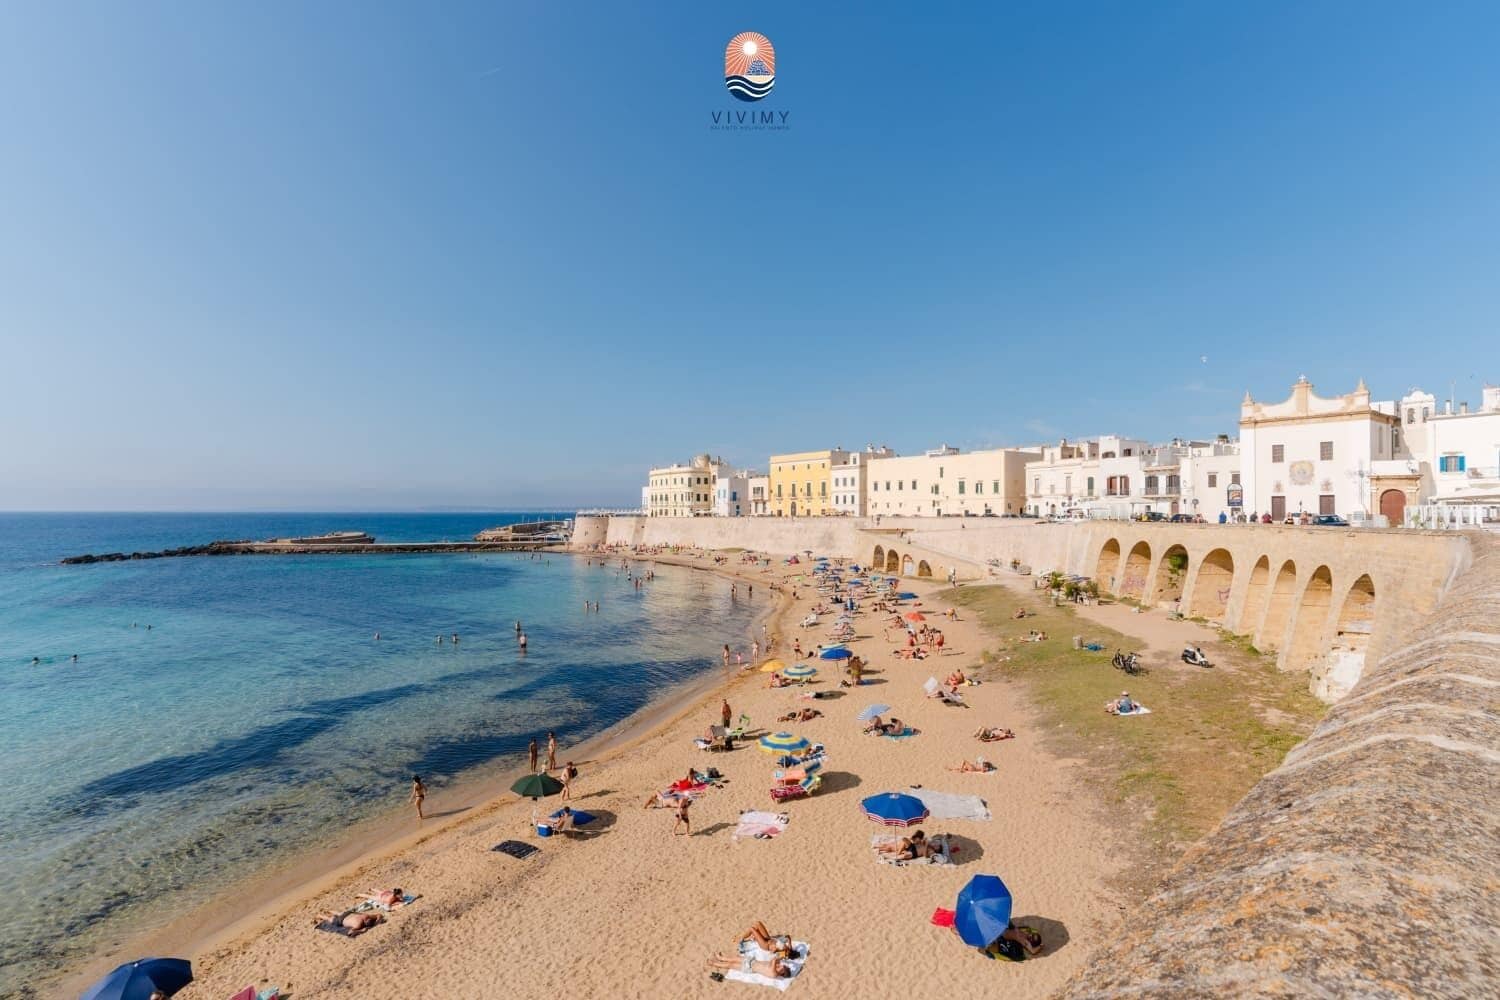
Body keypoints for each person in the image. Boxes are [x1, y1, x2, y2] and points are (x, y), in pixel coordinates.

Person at [315, 909, 383, 936]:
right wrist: (362, 930)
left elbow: (379, 915)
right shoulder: (358, 925)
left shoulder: (367, 916)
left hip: (348, 914)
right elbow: (350, 931)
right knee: (330, 919)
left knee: (339, 913)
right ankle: (320, 915)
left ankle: (329, 911)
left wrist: (377, 920)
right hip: (342, 920)